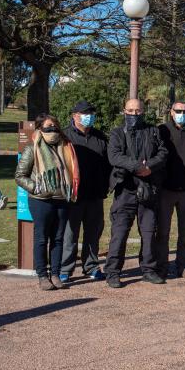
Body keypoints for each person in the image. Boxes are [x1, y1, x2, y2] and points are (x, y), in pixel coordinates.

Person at [104, 99, 168, 288]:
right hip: (126, 190)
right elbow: (114, 156)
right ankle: (113, 272)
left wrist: (150, 167)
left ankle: (149, 270)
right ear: (124, 111)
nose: (134, 114)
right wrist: (137, 167)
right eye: (130, 110)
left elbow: (163, 153)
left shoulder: (153, 131)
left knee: (149, 233)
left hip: (148, 189)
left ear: (143, 111)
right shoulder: (117, 133)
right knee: (120, 233)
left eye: (138, 110)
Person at [15, 113, 79, 291]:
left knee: (58, 239)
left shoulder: (67, 147)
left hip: (62, 199)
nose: (52, 130)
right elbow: (20, 176)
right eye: (48, 127)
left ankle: (56, 274)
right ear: (39, 129)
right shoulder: (32, 148)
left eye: (54, 126)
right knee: (41, 238)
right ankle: (43, 276)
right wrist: (36, 188)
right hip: (40, 200)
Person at [59, 100, 110, 283]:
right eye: (85, 113)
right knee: (70, 234)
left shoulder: (100, 137)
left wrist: (107, 185)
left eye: (91, 113)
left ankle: (91, 266)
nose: (89, 116)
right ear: (75, 116)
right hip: (73, 196)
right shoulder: (64, 136)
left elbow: (108, 164)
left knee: (93, 233)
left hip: (96, 194)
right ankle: (65, 269)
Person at [158, 101, 185, 279]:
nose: (181, 114)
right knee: (162, 231)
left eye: (184, 111)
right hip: (165, 189)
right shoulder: (162, 131)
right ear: (171, 112)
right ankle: (161, 266)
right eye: (178, 111)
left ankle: (184, 266)